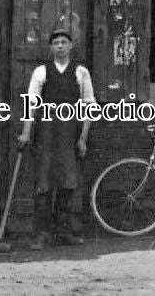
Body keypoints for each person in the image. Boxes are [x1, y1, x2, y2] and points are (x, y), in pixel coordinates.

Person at [17, 28, 97, 251]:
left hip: (69, 135)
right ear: (51, 48)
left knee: (68, 184)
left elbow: (89, 106)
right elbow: (31, 104)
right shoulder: (41, 72)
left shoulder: (81, 72)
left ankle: (63, 232)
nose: (60, 46)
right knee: (43, 184)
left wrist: (83, 138)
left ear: (71, 46)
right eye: (56, 43)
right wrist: (25, 132)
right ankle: (41, 234)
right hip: (45, 134)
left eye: (64, 42)